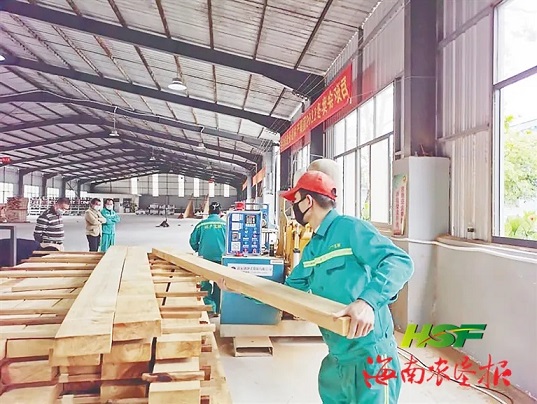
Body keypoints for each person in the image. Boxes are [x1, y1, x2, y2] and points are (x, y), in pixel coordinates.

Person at [220, 171, 414, 404]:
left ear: (308, 201)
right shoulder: (313, 248)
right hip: (337, 357)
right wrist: (242, 288)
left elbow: (399, 261)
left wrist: (367, 302)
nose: (293, 208)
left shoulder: (351, 229)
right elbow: (287, 294)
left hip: (370, 356)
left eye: (295, 201)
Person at [189, 201, 226, 315]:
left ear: (209, 212)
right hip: (221, 258)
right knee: (220, 284)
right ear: (220, 212)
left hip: (204, 258)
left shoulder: (201, 224)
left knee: (204, 283)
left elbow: (193, 241)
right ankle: (217, 309)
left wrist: (198, 249)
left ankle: (209, 307)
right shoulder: (225, 225)